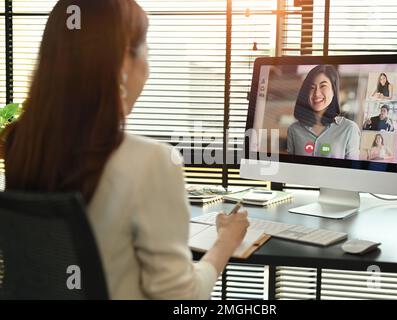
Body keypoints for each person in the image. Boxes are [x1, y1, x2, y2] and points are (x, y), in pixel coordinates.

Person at [0, 0, 249, 300]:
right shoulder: (151, 161)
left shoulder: (22, 147)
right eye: (145, 50)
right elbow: (182, 299)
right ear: (121, 64)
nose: (149, 67)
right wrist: (226, 242)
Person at [287, 65, 360, 160]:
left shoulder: (349, 129)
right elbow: (291, 169)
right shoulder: (294, 130)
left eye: (323, 86)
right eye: (312, 87)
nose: (316, 93)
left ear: (334, 90)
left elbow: (353, 171)